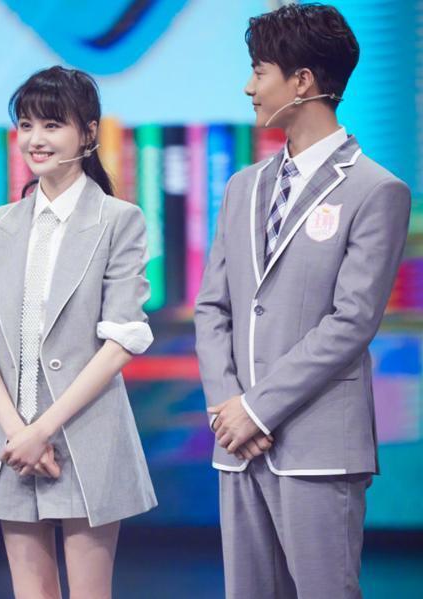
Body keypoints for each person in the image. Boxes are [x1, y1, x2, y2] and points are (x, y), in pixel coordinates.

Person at [194, 5, 411, 598]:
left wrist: (257, 409)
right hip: (237, 445)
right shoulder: (242, 187)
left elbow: (351, 322)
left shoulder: (376, 190)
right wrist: (227, 409)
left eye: (259, 71)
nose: (249, 87)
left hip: (318, 446)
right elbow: (213, 308)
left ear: (302, 82)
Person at [0, 65, 156, 599]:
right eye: (26, 125)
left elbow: (120, 344)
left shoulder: (119, 220)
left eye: (52, 124)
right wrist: (18, 432)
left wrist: (42, 429)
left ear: (88, 133)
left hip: (85, 435)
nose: (35, 139)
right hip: (12, 441)